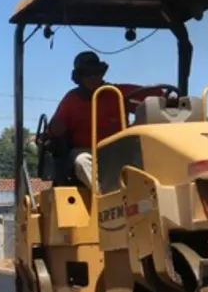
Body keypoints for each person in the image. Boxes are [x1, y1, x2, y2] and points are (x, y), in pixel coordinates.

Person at [46, 51, 161, 189]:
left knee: (148, 152)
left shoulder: (116, 92)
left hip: (119, 149)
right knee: (82, 160)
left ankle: (146, 192)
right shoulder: (71, 99)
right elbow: (55, 128)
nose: (93, 77)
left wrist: (166, 98)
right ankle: (101, 197)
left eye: (97, 73)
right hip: (88, 151)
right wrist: (56, 129)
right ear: (79, 78)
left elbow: (153, 96)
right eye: (87, 74)